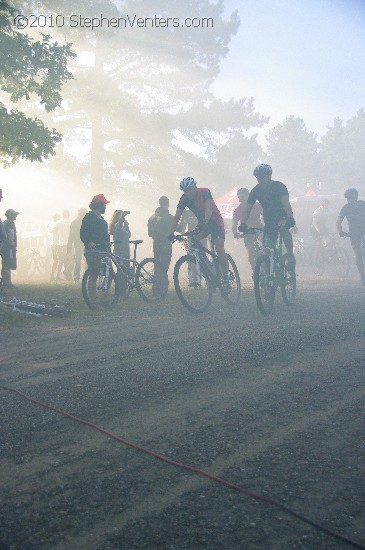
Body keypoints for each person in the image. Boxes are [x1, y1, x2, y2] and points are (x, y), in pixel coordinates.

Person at [170, 177, 231, 293]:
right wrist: (171, 233)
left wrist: (206, 221)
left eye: (189, 190)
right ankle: (209, 270)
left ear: (195, 188)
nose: (187, 193)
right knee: (194, 243)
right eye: (184, 190)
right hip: (203, 224)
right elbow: (176, 216)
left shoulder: (204, 192)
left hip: (215, 222)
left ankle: (226, 279)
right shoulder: (184, 199)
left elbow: (208, 208)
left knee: (219, 248)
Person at [238, 164, 296, 273]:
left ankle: (290, 255)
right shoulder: (255, 190)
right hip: (268, 218)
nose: (261, 180)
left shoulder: (279, 186)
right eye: (258, 178)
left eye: (263, 177)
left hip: (281, 214)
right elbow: (247, 208)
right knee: (267, 248)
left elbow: (286, 203)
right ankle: (268, 273)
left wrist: (290, 217)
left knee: (284, 229)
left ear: (269, 176)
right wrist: (243, 223)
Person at [337, 188, 365, 285]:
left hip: (362, 231)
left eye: (353, 197)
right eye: (350, 198)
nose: (351, 199)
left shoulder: (362, 204)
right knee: (358, 255)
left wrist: (341, 231)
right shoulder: (345, 208)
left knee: (359, 254)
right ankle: (362, 275)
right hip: (354, 234)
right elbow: (338, 223)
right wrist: (340, 231)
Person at [147, 196, 175, 297]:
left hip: (156, 245)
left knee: (157, 266)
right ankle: (163, 291)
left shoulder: (152, 217)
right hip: (166, 244)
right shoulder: (169, 217)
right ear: (168, 204)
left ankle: (155, 290)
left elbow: (150, 234)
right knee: (164, 267)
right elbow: (180, 228)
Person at [232, 187, 263, 272]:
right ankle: (255, 271)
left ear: (248, 196)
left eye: (242, 196)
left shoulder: (256, 205)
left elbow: (264, 215)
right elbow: (234, 224)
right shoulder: (237, 210)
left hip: (259, 229)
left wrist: (265, 224)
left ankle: (268, 261)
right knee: (250, 254)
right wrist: (235, 233)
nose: (241, 199)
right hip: (248, 232)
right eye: (239, 197)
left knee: (266, 245)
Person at [80, 194, 110, 277]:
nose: (105, 207)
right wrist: (88, 242)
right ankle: (91, 290)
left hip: (102, 251)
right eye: (104, 204)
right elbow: (83, 232)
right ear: (99, 205)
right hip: (93, 251)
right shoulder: (89, 217)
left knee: (106, 274)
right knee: (93, 276)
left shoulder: (102, 220)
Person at [67, 208, 88, 283]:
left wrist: (69, 247)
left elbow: (71, 236)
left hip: (77, 244)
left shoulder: (73, 222)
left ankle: (76, 277)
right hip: (86, 244)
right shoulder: (87, 221)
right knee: (86, 261)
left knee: (77, 261)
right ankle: (86, 276)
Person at [1, 209, 19, 288]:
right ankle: (6, 282)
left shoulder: (11, 224)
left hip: (10, 247)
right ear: (9, 215)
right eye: (14, 214)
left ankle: (8, 282)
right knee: (6, 264)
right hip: (6, 247)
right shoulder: (6, 224)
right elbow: (4, 237)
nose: (15, 216)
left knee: (9, 264)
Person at [47, 213, 61, 282]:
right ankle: (56, 276)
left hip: (52, 244)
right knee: (59, 260)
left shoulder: (49, 224)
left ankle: (52, 275)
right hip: (57, 244)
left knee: (55, 260)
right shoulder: (57, 224)